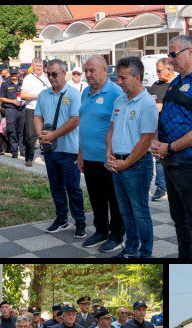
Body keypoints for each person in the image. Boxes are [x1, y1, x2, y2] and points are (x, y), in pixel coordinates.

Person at [150, 35, 192, 258]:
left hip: (190, 162)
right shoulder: (175, 83)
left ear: (190, 52)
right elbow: (166, 116)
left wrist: (170, 147)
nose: (170, 60)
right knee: (179, 220)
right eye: (169, 55)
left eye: (173, 54)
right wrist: (158, 142)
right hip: (170, 161)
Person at [107, 56, 159, 258]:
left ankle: (145, 253)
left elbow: (146, 141)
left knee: (140, 212)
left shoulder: (147, 103)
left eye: (122, 77)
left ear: (137, 77)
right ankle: (130, 249)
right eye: (118, 77)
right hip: (118, 162)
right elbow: (111, 129)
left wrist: (125, 163)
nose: (118, 81)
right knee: (124, 210)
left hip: (137, 165)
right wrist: (109, 156)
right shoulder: (119, 100)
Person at [75, 56, 126, 252]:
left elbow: (119, 127)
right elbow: (84, 122)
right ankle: (100, 230)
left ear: (105, 70)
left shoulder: (116, 93)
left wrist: (113, 154)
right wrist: (80, 152)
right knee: (96, 198)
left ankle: (117, 234)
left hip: (108, 158)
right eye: (86, 70)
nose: (88, 74)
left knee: (114, 199)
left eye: (92, 71)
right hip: (88, 157)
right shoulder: (86, 92)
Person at [34, 59, 85, 236]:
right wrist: (41, 134)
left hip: (69, 149)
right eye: (48, 74)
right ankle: (61, 219)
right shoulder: (43, 95)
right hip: (50, 149)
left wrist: (54, 135)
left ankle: (80, 222)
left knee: (73, 188)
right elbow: (37, 116)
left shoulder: (73, 94)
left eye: (54, 74)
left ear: (64, 73)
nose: (51, 77)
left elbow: (75, 120)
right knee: (55, 186)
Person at [146, 57, 175, 202]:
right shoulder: (156, 86)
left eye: (159, 71)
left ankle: (173, 186)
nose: (157, 74)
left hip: (175, 130)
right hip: (158, 128)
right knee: (158, 158)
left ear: (168, 69)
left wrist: (164, 107)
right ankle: (160, 187)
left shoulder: (178, 84)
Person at [21, 58, 51, 167]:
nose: (39, 68)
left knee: (46, 133)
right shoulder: (28, 78)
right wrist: (38, 96)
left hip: (46, 110)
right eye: (36, 66)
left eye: (40, 66)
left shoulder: (47, 78)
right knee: (30, 135)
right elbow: (23, 95)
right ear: (32, 66)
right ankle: (29, 158)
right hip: (32, 109)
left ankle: (47, 157)